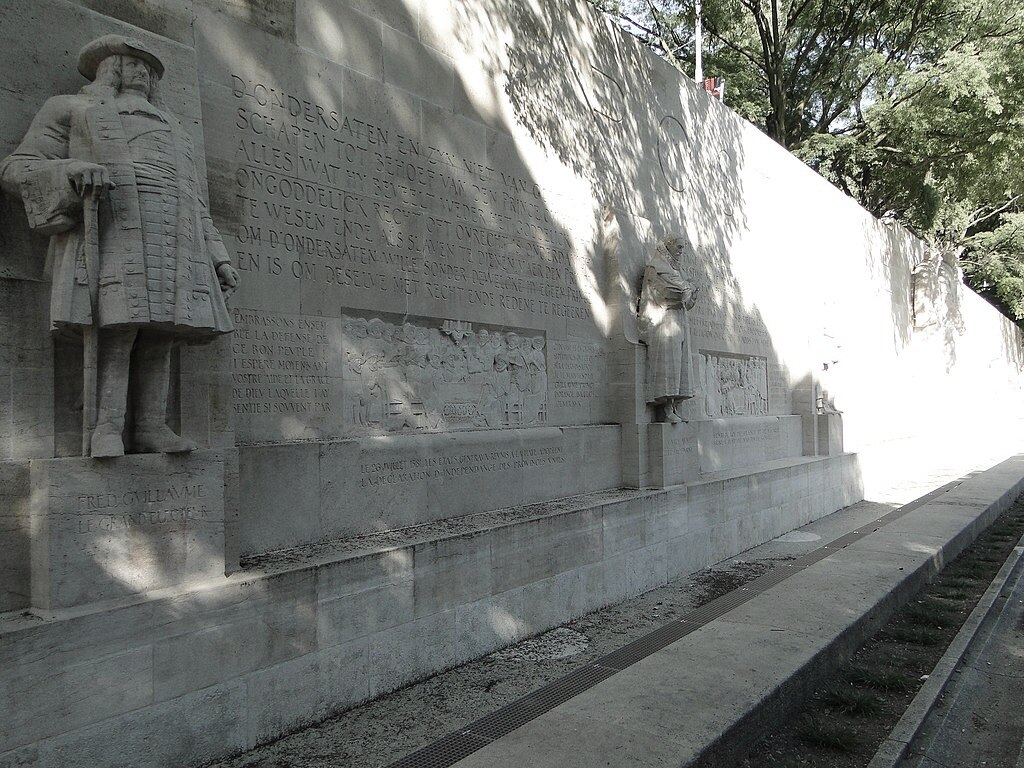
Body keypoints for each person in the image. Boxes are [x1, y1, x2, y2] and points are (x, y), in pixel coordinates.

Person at [0, 35, 238, 457]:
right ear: (110, 66)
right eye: (134, 64)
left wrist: (218, 256)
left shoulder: (177, 130)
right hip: (116, 227)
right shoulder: (71, 109)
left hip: (175, 236)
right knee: (119, 325)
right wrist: (73, 169)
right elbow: (18, 167)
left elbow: (197, 200)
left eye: (150, 68)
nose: (144, 73)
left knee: (165, 330)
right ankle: (105, 427)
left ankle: (150, 425)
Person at [637, 235, 699, 423]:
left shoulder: (674, 270)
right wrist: (686, 289)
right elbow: (667, 293)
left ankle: (673, 406)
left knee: (679, 364)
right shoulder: (656, 267)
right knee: (668, 363)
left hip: (678, 319)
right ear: (669, 245)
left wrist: (691, 291)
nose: (681, 251)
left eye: (683, 248)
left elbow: (685, 298)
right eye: (679, 246)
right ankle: (664, 409)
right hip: (663, 320)